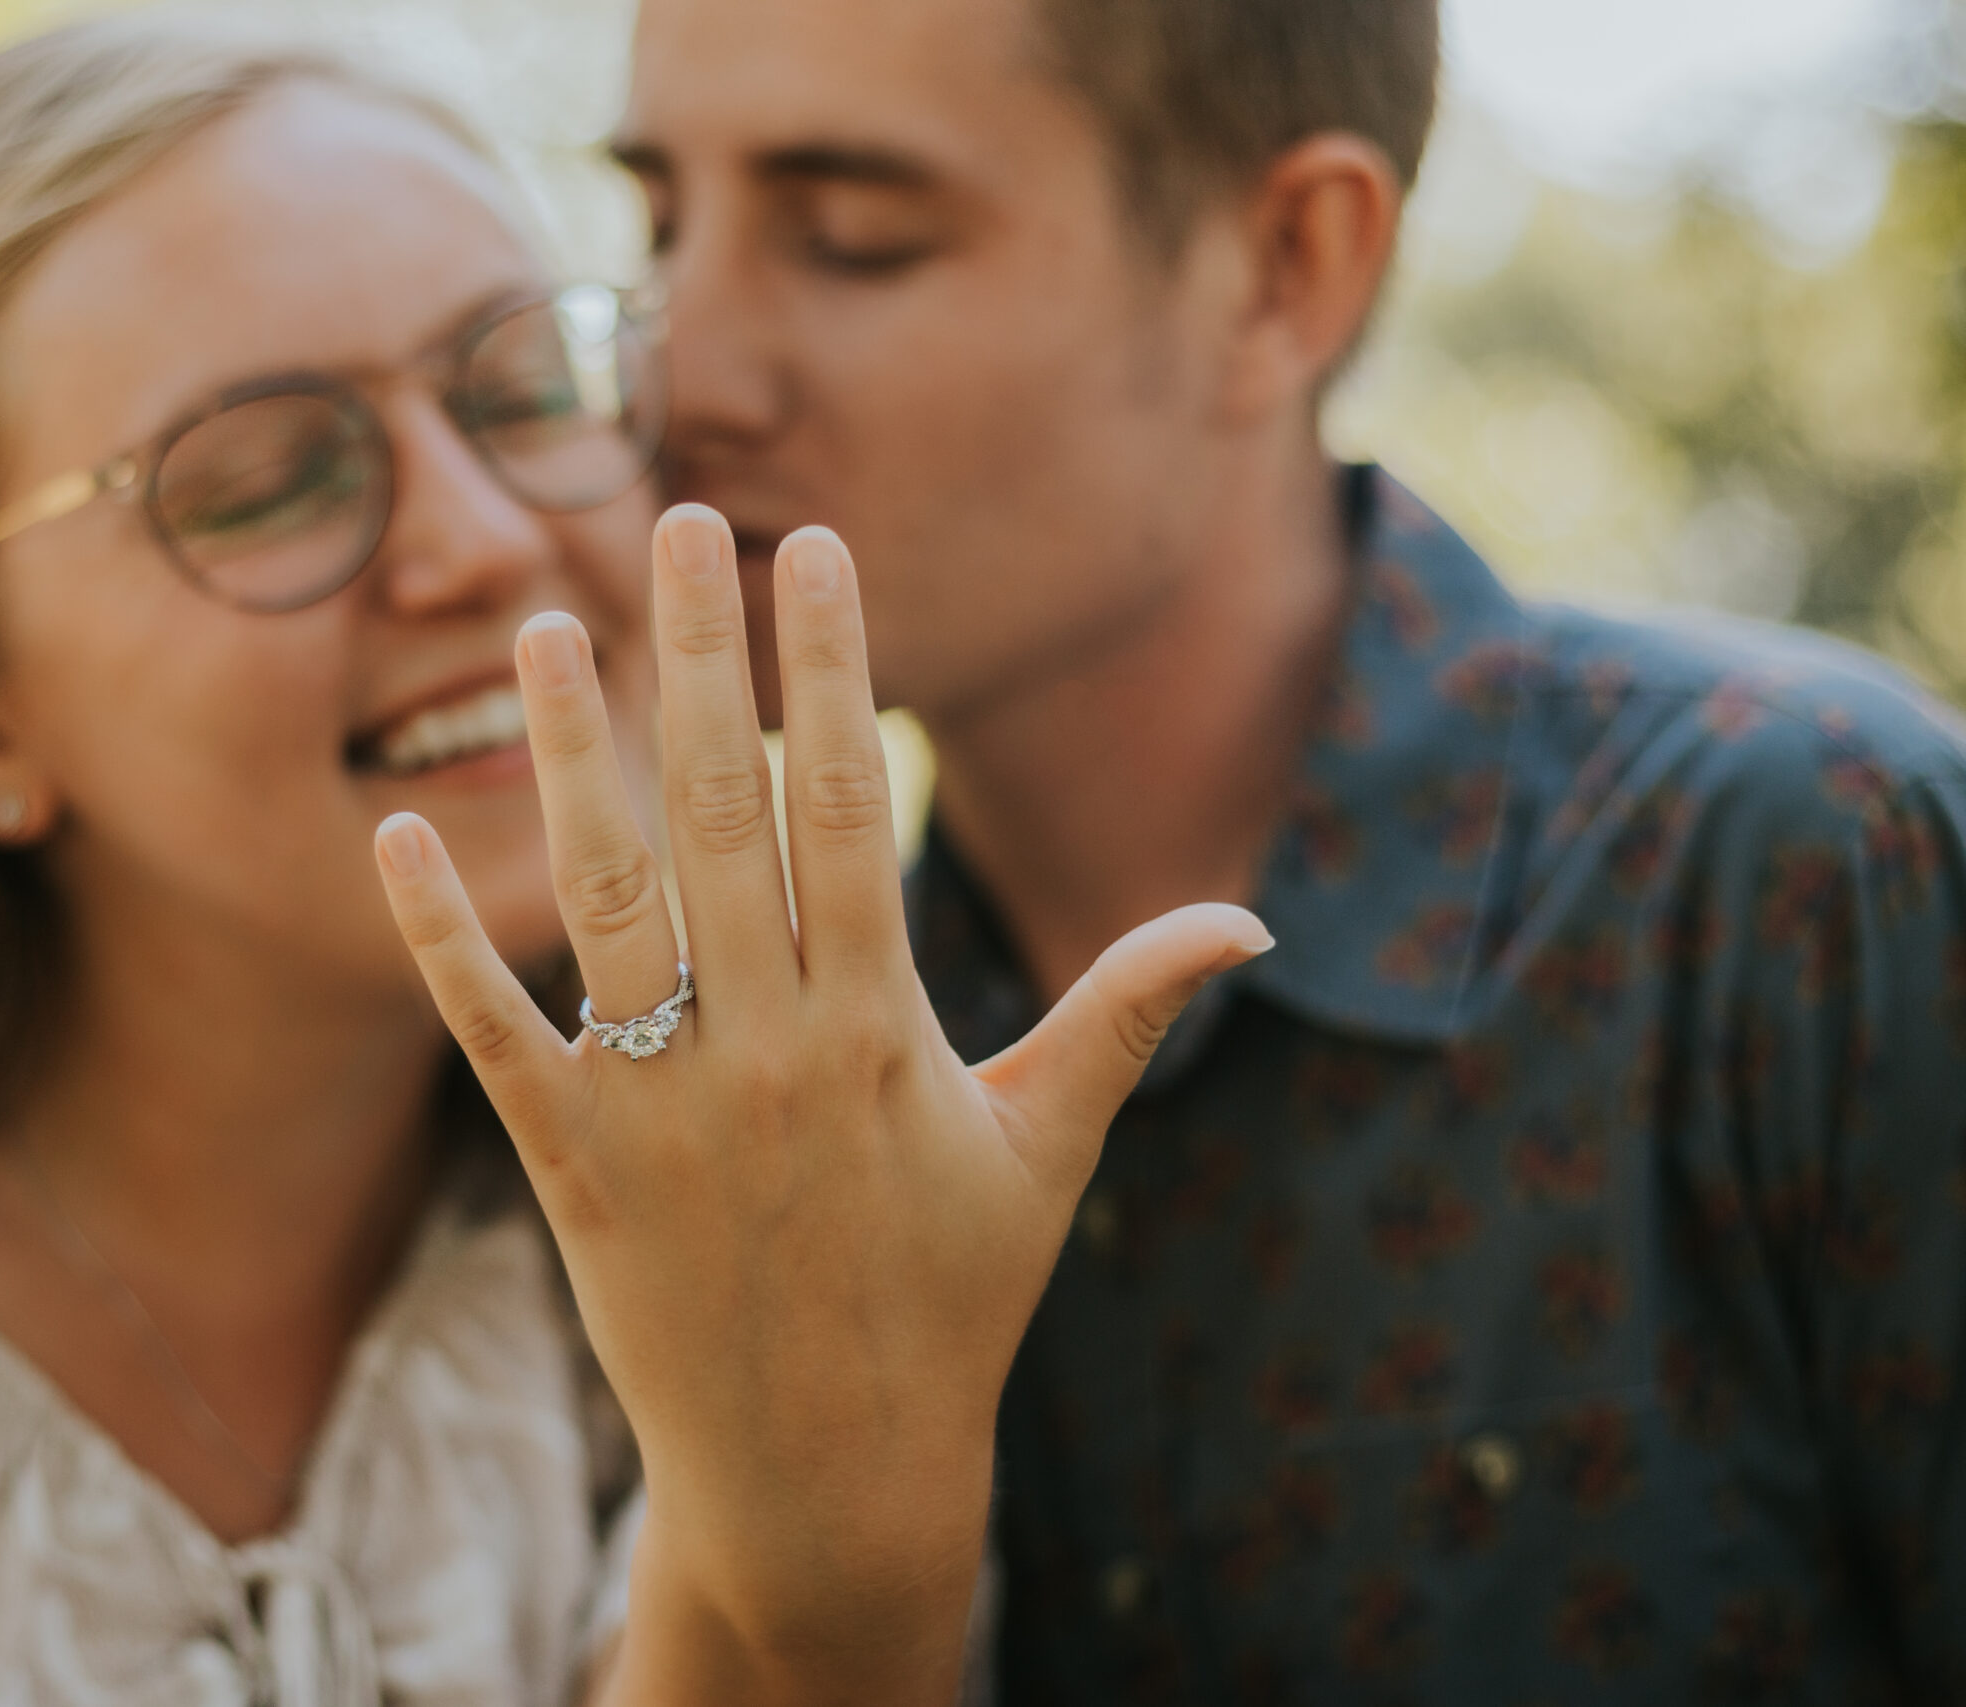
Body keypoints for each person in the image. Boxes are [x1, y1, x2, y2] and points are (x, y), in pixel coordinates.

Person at [0, 12, 1257, 1706]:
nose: (480, 541)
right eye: (267, 475)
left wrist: (818, 1563)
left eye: (523, 386)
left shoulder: (742, 1231)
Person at [617, 0, 1966, 1698]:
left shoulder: (1807, 874)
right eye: (660, 223)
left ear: (1282, 269)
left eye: (852, 239)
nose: (680, 366)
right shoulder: (779, 1087)